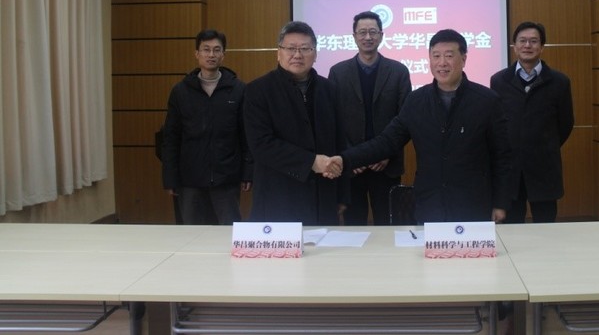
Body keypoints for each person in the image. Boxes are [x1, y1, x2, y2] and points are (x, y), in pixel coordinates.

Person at [341, 29, 513, 223]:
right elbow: (387, 142)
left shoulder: (487, 101)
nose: (442, 63)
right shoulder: (416, 101)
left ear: (464, 59)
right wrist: (344, 159)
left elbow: (502, 156)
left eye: (449, 56)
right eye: (436, 56)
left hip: (473, 205)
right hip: (430, 206)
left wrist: (501, 203)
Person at [244, 21, 344, 225]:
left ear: (315, 54)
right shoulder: (258, 90)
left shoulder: (330, 90)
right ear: (278, 52)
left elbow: (340, 143)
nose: (297, 55)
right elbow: (261, 145)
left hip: (323, 197)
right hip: (278, 198)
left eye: (305, 49)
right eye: (291, 48)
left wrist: (342, 195)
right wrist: (311, 162)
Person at [328, 11, 412, 225]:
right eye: (362, 32)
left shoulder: (399, 71)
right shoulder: (337, 72)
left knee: (389, 225)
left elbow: (405, 118)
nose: (368, 37)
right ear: (354, 36)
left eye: (373, 32)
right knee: (353, 226)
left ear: (381, 35)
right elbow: (332, 119)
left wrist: (386, 153)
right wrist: (350, 157)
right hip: (351, 168)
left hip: (385, 165)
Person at [161, 29, 252, 225]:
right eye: (206, 49)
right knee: (192, 235)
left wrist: (247, 173)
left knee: (228, 233)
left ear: (223, 55)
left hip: (226, 178)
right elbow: (171, 138)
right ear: (197, 53)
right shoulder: (181, 91)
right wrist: (170, 177)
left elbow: (246, 136)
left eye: (217, 50)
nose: (211, 54)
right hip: (190, 179)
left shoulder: (238, 89)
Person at [490, 21, 574, 223]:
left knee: (546, 228)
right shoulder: (499, 81)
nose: (527, 45)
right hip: (511, 170)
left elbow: (565, 123)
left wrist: (544, 145)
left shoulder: (559, 82)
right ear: (514, 46)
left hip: (544, 167)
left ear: (542, 46)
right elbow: (496, 123)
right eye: (522, 41)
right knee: (512, 229)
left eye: (533, 41)